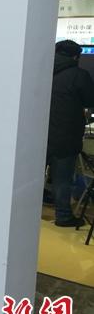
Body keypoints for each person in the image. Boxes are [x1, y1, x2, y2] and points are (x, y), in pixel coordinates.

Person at [46, 40, 94, 227]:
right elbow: (90, 100)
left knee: (37, 175)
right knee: (63, 178)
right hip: (66, 135)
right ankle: (64, 216)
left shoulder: (44, 71)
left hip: (41, 134)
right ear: (75, 56)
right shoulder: (79, 75)